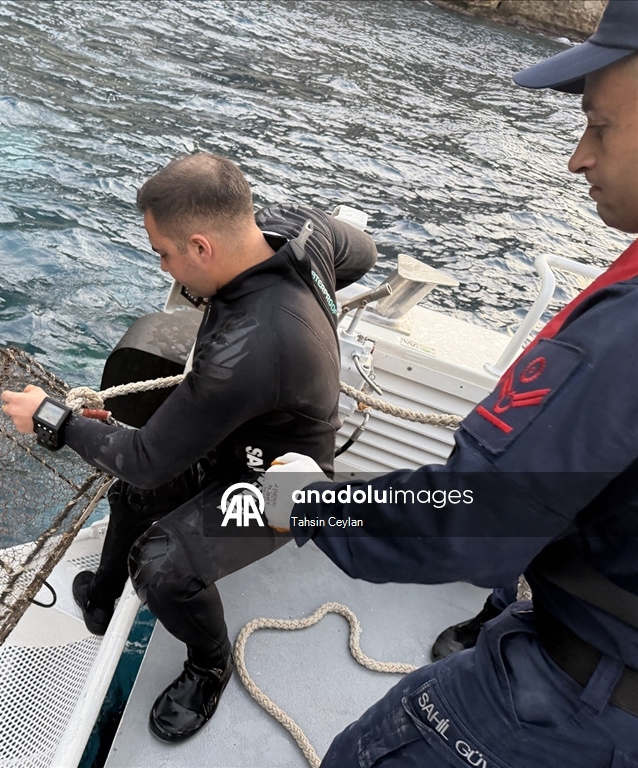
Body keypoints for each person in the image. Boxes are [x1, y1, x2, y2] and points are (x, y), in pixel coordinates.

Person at [265, 2, 638, 765]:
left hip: (583, 704)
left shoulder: (626, 333)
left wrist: (310, 502)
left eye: (600, 125)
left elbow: (468, 517)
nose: (578, 158)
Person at [2, 151, 377, 742]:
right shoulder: (300, 232)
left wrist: (55, 419)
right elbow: (365, 252)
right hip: (239, 432)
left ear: (202, 247)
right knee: (131, 497)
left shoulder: (250, 350)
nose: (167, 271)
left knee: (164, 567)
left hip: (286, 482)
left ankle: (209, 665)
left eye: (164, 254)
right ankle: (101, 601)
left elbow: (150, 457)